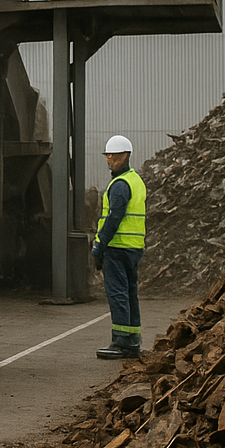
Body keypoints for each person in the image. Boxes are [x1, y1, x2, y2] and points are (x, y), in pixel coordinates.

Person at [91, 134, 147, 359]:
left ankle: (122, 342)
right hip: (133, 247)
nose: (109, 159)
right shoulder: (136, 181)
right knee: (130, 293)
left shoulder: (120, 185)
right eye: (107, 155)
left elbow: (114, 218)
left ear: (125, 156)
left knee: (118, 293)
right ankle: (132, 340)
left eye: (113, 155)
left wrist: (99, 246)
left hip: (118, 247)